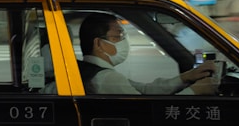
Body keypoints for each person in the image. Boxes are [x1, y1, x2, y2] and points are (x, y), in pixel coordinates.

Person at [77, 12, 217, 95]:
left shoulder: (88, 71)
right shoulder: (107, 79)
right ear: (99, 44)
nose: (123, 42)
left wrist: (186, 77)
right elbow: (146, 111)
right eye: (117, 36)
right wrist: (195, 91)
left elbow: (145, 90)